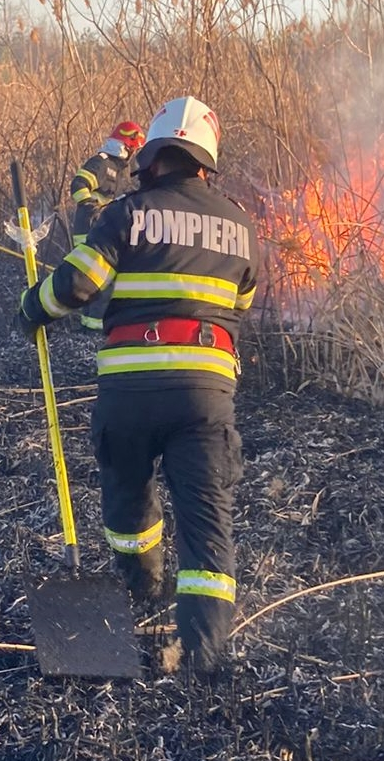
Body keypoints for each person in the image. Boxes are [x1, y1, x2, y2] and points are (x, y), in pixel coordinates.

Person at [15, 95, 259, 679]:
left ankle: (142, 592)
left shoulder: (126, 213)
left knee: (128, 500)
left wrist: (32, 308)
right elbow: (240, 305)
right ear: (205, 163)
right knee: (207, 522)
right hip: (205, 394)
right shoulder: (241, 225)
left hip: (130, 391)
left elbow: (77, 284)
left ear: (150, 158)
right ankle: (202, 657)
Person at [69, 120, 145, 330]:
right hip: (90, 230)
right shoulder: (102, 163)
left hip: (104, 230)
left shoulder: (119, 169)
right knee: (98, 282)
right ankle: (92, 331)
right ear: (125, 146)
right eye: (133, 149)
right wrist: (89, 205)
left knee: (104, 282)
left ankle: (95, 326)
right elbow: (78, 184)